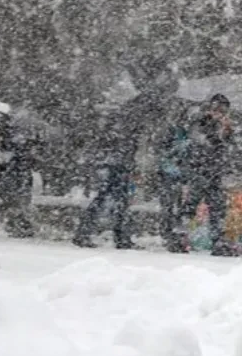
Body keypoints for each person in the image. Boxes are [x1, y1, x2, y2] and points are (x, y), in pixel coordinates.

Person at [73, 89, 172, 249]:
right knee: (111, 198)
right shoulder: (128, 119)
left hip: (114, 162)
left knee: (115, 199)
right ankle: (103, 234)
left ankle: (109, 234)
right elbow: (121, 142)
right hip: (114, 163)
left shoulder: (126, 117)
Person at [182, 94, 236, 255]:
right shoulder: (201, 121)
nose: (220, 112)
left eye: (224, 109)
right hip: (200, 170)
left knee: (217, 208)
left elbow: (226, 147)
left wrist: (227, 131)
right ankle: (180, 236)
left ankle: (218, 241)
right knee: (191, 206)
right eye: (218, 108)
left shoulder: (221, 125)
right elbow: (202, 143)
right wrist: (218, 132)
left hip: (214, 172)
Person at [156, 105, 193, 253]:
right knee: (169, 205)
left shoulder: (186, 134)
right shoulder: (171, 132)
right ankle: (169, 235)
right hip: (169, 173)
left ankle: (176, 235)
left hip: (181, 174)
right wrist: (177, 151)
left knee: (179, 205)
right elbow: (164, 152)